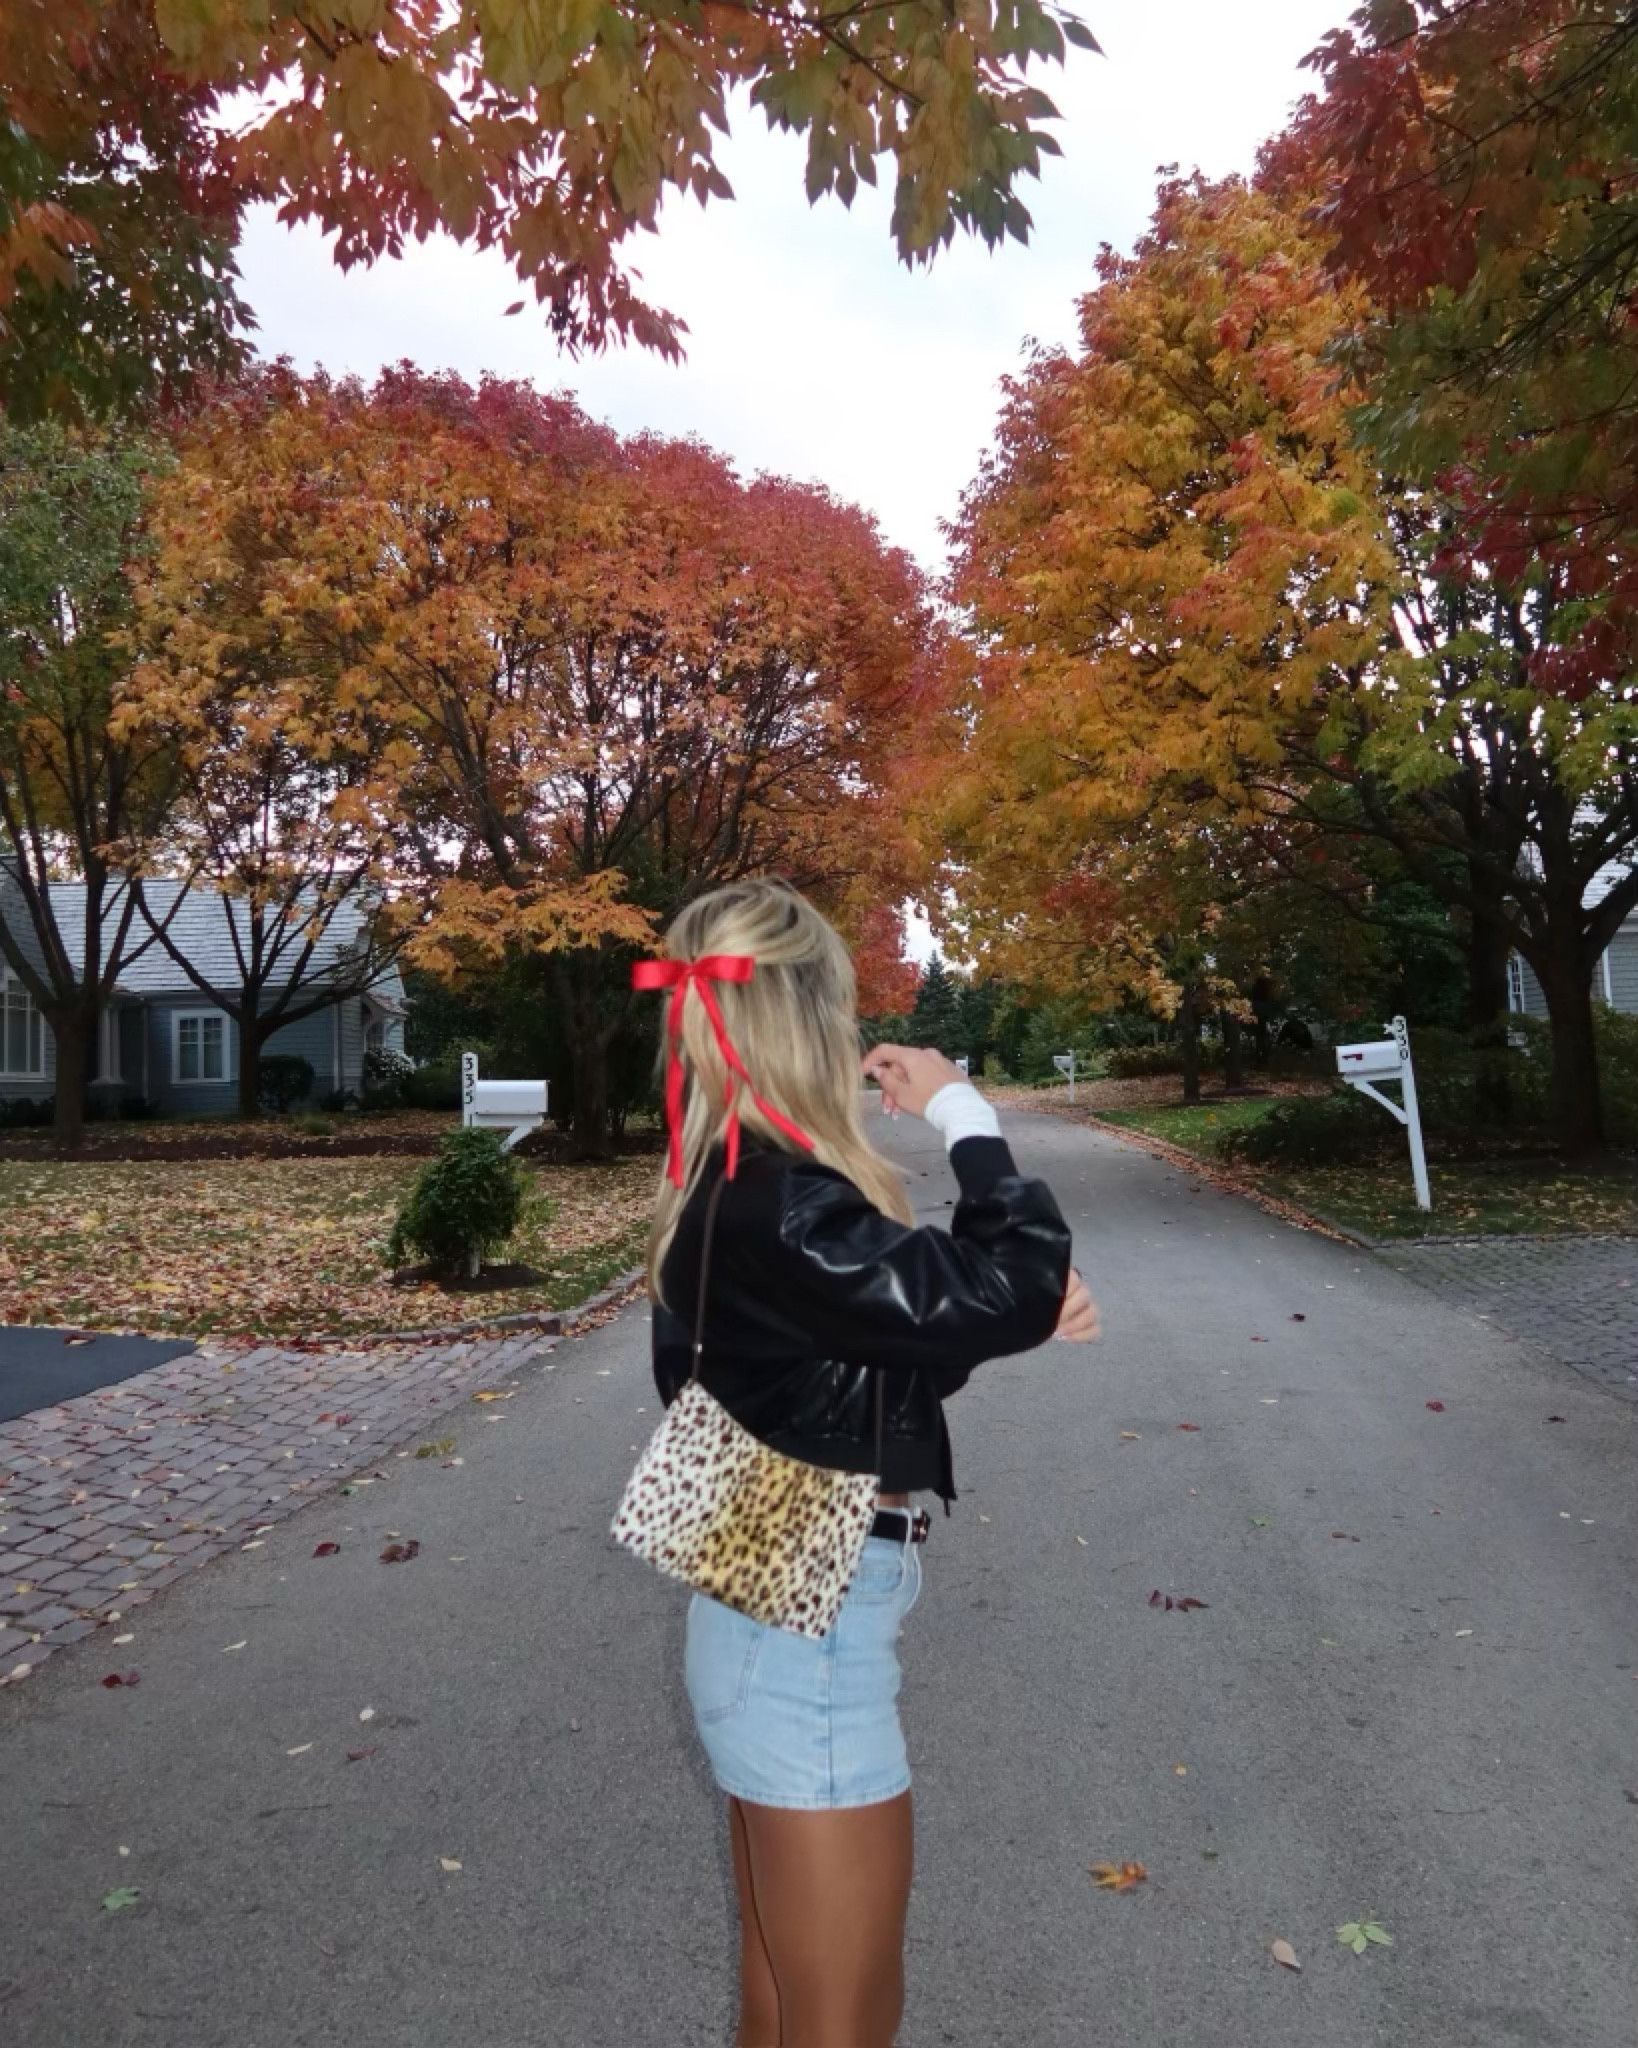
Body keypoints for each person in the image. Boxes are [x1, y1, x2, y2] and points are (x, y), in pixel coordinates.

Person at [637, 878, 1099, 2048]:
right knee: (843, 2016)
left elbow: (837, 1374)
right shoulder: (783, 1202)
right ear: (805, 1015)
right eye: (838, 1009)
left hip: (769, 1611)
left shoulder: (735, 1184)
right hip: (809, 1635)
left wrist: (999, 1313)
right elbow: (1007, 1275)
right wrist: (965, 1112)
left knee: (790, 2001)